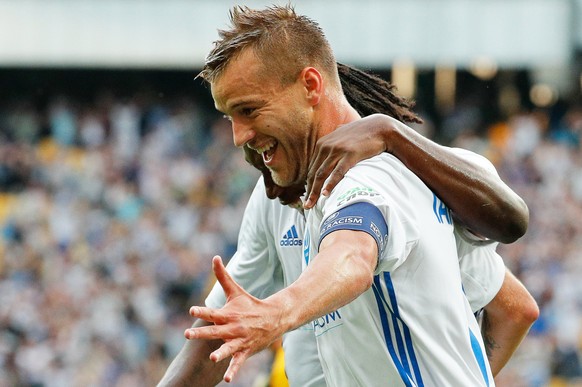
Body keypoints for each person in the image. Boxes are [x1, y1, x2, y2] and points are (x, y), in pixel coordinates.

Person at [170, 4, 534, 386]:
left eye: (249, 110)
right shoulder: (274, 197)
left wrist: (277, 312)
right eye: (230, 117)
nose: (238, 136)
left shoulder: (376, 175)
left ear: (311, 86)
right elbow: (216, 334)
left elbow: (353, 255)